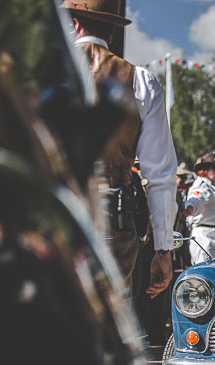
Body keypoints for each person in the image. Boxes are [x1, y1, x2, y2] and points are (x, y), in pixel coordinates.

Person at [64, 0, 177, 298]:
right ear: (112, 28)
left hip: (54, 204)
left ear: (75, 23)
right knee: (109, 313)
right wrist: (163, 249)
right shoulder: (140, 80)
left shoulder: (39, 74)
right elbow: (160, 175)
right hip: (112, 213)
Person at [184, 152, 215, 264]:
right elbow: (196, 199)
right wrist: (190, 209)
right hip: (206, 239)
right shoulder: (202, 185)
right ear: (205, 170)